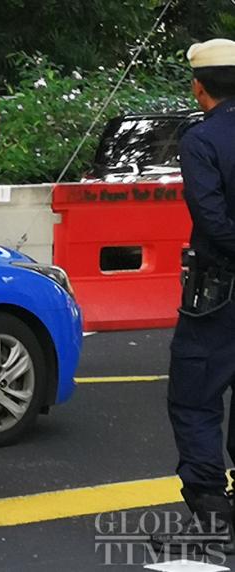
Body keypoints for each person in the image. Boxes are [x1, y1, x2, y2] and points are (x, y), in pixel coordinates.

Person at [155, 39, 235, 554]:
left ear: (199, 87)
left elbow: (211, 218)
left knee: (194, 397)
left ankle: (211, 516)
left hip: (220, 293)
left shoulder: (202, 139)